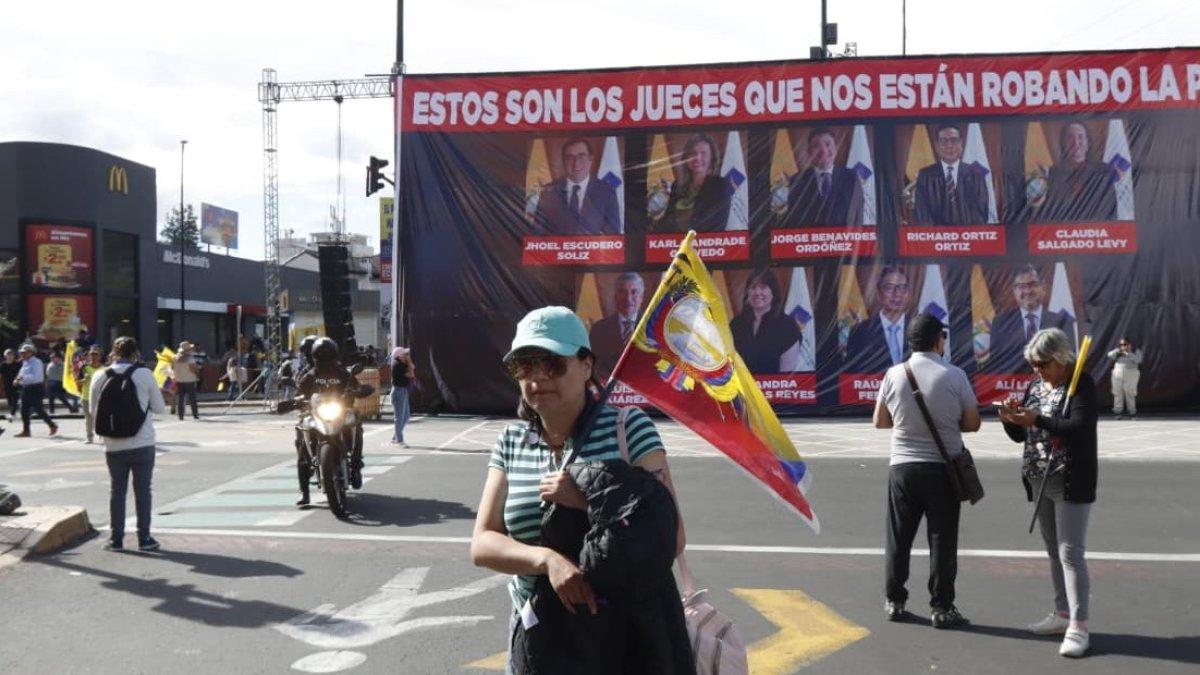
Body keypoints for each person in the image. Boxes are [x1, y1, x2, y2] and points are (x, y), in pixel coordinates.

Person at [470, 306, 688, 671]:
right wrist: (547, 561)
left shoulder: (628, 427)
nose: (538, 377)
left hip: (622, 638)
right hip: (539, 635)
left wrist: (589, 500)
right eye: (525, 365)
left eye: (553, 363)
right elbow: (483, 542)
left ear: (586, 367)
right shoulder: (511, 440)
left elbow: (671, 535)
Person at [874, 312, 980, 628]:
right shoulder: (955, 375)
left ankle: (895, 601)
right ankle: (942, 607)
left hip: (903, 467)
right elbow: (972, 423)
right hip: (943, 470)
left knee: (899, 538)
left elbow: (880, 421)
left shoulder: (894, 374)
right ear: (938, 340)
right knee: (942, 541)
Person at [998, 328, 1098, 658]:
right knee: (1054, 551)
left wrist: (1038, 419)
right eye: (1033, 364)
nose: (1037, 370)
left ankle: (1079, 625)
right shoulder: (1035, 386)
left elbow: (1080, 428)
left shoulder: (1080, 384)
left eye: (1042, 363)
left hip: (1071, 478)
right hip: (1039, 478)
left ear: (1060, 358)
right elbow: (1021, 435)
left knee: (1071, 553)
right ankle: (1062, 613)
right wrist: (1010, 419)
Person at [90, 337, 166, 552]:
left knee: (117, 491)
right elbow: (159, 408)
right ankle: (145, 538)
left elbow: (93, 410)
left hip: (112, 444)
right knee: (143, 491)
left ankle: (116, 539)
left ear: (113, 353)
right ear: (136, 354)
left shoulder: (100, 375)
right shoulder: (144, 374)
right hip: (142, 441)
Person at [293, 337, 363, 507]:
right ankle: (304, 492)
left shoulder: (342, 372)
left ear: (334, 355)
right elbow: (299, 392)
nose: (324, 358)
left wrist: (357, 391)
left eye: (328, 354)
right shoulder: (310, 375)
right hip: (316, 415)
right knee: (302, 440)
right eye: (321, 355)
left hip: (339, 412)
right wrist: (296, 401)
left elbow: (356, 386)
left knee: (356, 421)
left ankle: (355, 464)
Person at [987, 265, 1076, 374]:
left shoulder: (1062, 322)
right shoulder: (1000, 323)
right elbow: (996, 363)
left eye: (1033, 284)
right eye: (1021, 286)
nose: (1028, 291)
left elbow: (1068, 361)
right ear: (1014, 291)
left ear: (1042, 287)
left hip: (1051, 381)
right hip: (1012, 383)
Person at [533, 138, 622, 236]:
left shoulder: (607, 191)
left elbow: (613, 234)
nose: (576, 163)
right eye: (570, 158)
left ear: (590, 159)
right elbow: (537, 232)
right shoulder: (549, 191)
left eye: (581, 156)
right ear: (563, 161)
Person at [781, 127, 864, 227]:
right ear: (809, 152)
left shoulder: (852, 178)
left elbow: (858, 217)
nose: (823, 151)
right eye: (816, 146)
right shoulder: (796, 181)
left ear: (836, 149)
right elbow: (793, 221)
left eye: (828, 144)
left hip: (846, 237)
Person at [1040, 122, 1117, 222]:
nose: (1076, 143)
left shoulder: (1103, 172)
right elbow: (1049, 213)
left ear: (1087, 143)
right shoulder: (1052, 174)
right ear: (1063, 144)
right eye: (1070, 138)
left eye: (1080, 137)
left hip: (1097, 228)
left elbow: (1110, 211)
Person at [914, 123, 989, 225]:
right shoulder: (925, 176)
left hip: (969, 233)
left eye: (954, 140)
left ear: (961, 143)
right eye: (944, 141)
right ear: (936, 146)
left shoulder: (976, 174)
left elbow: (981, 212)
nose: (949, 145)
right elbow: (922, 214)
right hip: (935, 234)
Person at [729, 269, 802, 374]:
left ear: (773, 292)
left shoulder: (788, 326)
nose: (757, 292)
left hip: (775, 383)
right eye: (753, 287)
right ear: (747, 292)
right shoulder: (736, 324)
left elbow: (787, 374)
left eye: (763, 287)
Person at [657, 133, 731, 233]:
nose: (697, 157)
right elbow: (666, 221)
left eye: (703, 153)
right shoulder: (677, 185)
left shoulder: (720, 186)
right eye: (692, 153)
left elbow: (717, 224)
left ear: (711, 158)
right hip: (675, 241)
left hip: (705, 241)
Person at [846, 267, 913, 373]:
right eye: (890, 288)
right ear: (878, 294)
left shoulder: (922, 330)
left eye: (902, 288)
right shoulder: (860, 331)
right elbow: (852, 374)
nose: (897, 294)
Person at [587, 272, 645, 379]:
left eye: (634, 292)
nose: (628, 298)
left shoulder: (653, 326)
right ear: (615, 297)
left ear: (641, 297)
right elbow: (595, 367)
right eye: (622, 292)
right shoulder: (598, 329)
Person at [14, 344, 58, 438]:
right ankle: (26, 431)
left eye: (24, 353)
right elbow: (21, 373)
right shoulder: (25, 362)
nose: (22, 355)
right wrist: (17, 379)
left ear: (31, 352)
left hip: (36, 388)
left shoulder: (37, 362)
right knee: (23, 410)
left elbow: (36, 377)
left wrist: (21, 378)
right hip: (26, 388)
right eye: (21, 353)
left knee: (38, 409)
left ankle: (52, 425)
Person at [1107, 338, 1143, 419]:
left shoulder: (1135, 351)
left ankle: (1132, 412)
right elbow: (1109, 355)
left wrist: (1128, 354)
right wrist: (1118, 351)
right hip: (1118, 373)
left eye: (1125, 344)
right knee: (1117, 392)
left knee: (1130, 392)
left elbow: (1139, 360)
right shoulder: (1118, 351)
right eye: (1121, 345)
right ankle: (1118, 412)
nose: (1123, 346)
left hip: (1131, 373)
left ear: (1129, 345)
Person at [390, 347, 415, 447]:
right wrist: (408, 361)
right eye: (405, 354)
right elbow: (411, 374)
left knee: (406, 416)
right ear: (399, 356)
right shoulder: (397, 365)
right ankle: (399, 440)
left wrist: (408, 361)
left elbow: (412, 368)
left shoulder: (402, 364)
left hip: (403, 391)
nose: (407, 356)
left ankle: (395, 437)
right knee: (399, 417)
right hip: (398, 391)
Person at [79, 346, 104, 444]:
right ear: (89, 356)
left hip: (100, 397)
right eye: (92, 354)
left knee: (100, 417)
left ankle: (102, 435)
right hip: (86, 397)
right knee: (88, 418)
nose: (94, 357)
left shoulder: (103, 368)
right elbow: (77, 382)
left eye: (96, 354)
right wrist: (84, 380)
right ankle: (89, 437)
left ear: (99, 356)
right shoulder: (84, 368)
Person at [172, 341, 201, 420]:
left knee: (180, 398)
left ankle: (180, 415)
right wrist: (197, 373)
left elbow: (172, 367)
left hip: (179, 380)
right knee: (192, 398)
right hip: (189, 380)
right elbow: (193, 369)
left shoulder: (175, 357)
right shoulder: (190, 358)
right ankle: (195, 414)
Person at [2, 348, 22, 421]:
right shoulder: (3, 365)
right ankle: (14, 412)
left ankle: (12, 414)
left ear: (14, 356)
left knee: (15, 399)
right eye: (8, 354)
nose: (10, 356)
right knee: (10, 400)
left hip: (16, 384)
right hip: (7, 385)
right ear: (5, 356)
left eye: (11, 354)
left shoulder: (17, 364)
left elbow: (21, 373)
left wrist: (18, 380)